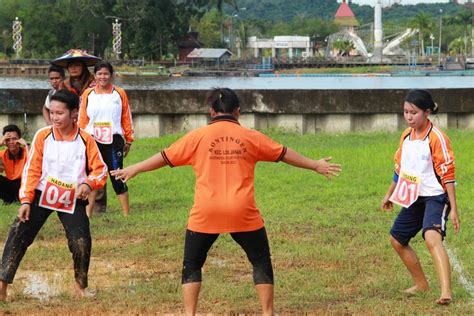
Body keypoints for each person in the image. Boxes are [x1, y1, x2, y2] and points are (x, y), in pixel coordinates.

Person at [111, 87, 341, 315]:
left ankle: (190, 313)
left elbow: (164, 157)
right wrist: (315, 165)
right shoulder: (250, 136)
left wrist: (135, 168)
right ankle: (267, 312)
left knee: (192, 264)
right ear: (238, 112)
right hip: (242, 211)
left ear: (211, 111)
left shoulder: (197, 137)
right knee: (260, 261)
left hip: (206, 212)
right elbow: (283, 153)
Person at [0, 89, 108, 301]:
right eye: (52, 112)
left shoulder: (86, 139)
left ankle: (81, 286)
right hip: (42, 194)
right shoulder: (42, 135)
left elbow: (100, 170)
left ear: (74, 113)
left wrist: (88, 183)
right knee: (18, 234)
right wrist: (25, 200)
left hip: (73, 199)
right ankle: (2, 286)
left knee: (81, 241)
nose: (55, 117)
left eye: (60, 113)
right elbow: (32, 170)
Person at [381, 89, 460, 305]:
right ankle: (421, 284)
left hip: (436, 196)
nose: (408, 117)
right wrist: (389, 194)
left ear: (426, 113)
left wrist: (453, 208)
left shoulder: (437, 138)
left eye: (413, 112)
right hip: (414, 196)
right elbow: (400, 169)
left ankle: (446, 292)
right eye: (406, 112)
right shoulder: (405, 136)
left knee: (431, 237)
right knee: (397, 240)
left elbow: (448, 175)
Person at [78, 61, 134, 217]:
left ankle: (126, 215)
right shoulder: (87, 94)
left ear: (111, 75)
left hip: (114, 140)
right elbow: (82, 119)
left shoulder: (119, 93)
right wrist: (80, 140)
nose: (103, 77)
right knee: (93, 176)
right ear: (95, 76)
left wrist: (129, 139)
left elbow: (126, 117)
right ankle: (87, 214)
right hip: (92, 140)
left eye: (106, 74)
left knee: (117, 176)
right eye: (99, 74)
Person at [0, 124, 28, 204]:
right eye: (8, 139)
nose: (11, 142)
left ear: (20, 140)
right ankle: (9, 199)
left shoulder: (27, 151)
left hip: (24, 184)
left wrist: (26, 145)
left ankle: (19, 198)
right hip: (10, 184)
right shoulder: (3, 154)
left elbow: (35, 162)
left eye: (14, 139)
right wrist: (0, 143)